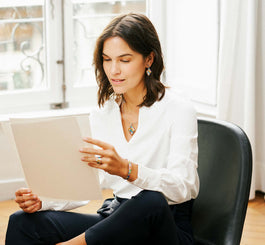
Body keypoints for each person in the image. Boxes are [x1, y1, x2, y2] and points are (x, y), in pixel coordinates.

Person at [5, 13, 199, 245]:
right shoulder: (103, 114)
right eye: (107, 59)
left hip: (165, 226)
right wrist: (43, 201)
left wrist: (128, 169)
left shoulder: (179, 109)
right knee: (23, 222)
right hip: (116, 219)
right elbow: (89, 183)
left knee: (150, 200)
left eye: (124, 60)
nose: (114, 70)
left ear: (149, 59)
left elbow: (183, 187)